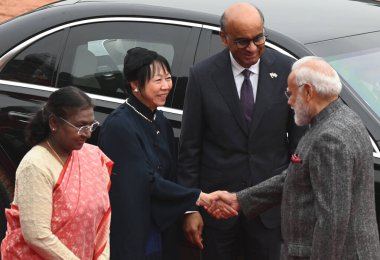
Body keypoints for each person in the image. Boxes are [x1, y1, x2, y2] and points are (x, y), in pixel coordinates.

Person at [204, 56, 380, 259]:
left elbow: (332, 220)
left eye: (290, 93)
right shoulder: (343, 118)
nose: (288, 102)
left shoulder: (329, 138)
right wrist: (240, 200)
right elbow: (297, 175)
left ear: (307, 91)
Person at [177, 2, 306, 259]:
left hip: (269, 210)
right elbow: (189, 147)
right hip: (218, 210)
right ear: (224, 39)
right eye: (242, 41)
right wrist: (190, 208)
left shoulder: (287, 70)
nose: (252, 48)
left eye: (258, 38)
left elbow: (299, 145)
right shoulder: (203, 76)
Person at [97, 47, 231, 260]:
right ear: (135, 85)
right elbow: (144, 180)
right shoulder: (119, 126)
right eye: (157, 81)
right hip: (134, 224)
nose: (166, 86)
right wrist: (199, 197)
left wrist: (189, 206)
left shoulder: (160, 120)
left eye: (168, 78)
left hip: (161, 222)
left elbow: (171, 171)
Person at [1, 86, 113, 259]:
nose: (88, 133)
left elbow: (102, 219)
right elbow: (37, 234)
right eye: (80, 126)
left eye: (92, 125)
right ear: (54, 123)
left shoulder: (93, 156)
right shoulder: (36, 165)